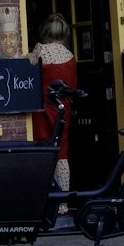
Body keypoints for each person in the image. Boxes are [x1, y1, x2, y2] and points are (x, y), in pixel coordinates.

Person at [29, 13, 78, 204]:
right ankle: (63, 202)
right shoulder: (70, 55)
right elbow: (72, 86)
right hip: (62, 110)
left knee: (41, 151)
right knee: (61, 152)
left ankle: (44, 200)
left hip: (42, 110)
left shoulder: (39, 50)